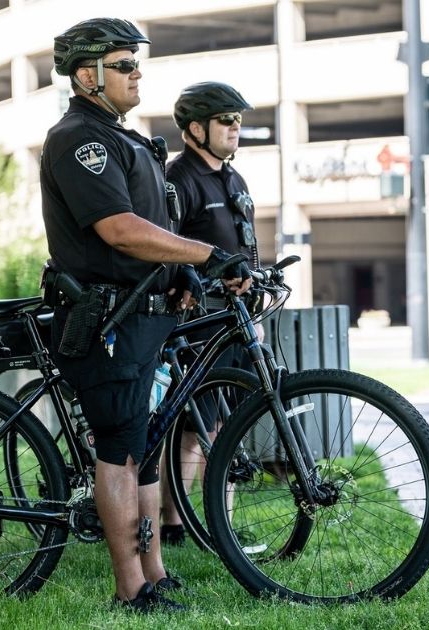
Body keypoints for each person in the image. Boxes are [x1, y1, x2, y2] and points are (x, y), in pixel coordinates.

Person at [41, 17, 251, 613]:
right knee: (120, 449)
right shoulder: (79, 139)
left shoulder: (126, 139)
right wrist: (209, 254)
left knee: (149, 445)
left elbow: (155, 232)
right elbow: (120, 231)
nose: (138, 74)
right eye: (125, 64)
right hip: (107, 320)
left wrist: (182, 272)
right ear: (88, 76)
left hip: (144, 317)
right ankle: (130, 589)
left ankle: (155, 573)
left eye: (138, 63)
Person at [157, 81, 257, 547]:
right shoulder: (180, 180)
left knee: (232, 424)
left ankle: (224, 523)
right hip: (199, 321)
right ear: (196, 129)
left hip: (237, 320)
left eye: (238, 120)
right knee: (197, 425)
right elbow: (167, 247)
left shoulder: (233, 178)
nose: (236, 128)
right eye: (226, 120)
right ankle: (173, 522)